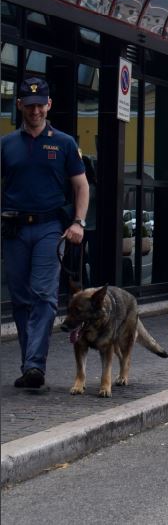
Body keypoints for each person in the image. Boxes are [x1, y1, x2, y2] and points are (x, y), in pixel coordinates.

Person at [1, 77, 89, 390]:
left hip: (50, 228)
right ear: (19, 105)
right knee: (20, 298)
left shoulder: (64, 143)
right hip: (14, 229)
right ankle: (30, 364)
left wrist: (78, 222)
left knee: (43, 294)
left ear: (49, 105)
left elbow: (81, 186)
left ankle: (35, 365)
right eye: (29, 105)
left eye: (40, 105)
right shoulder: (6, 144)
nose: (35, 111)